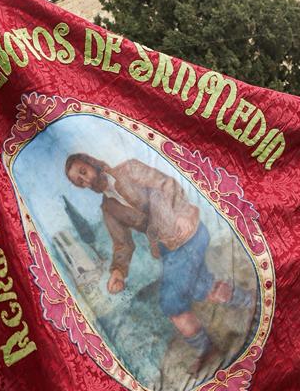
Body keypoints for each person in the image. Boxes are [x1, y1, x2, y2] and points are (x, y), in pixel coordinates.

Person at [65, 153, 253, 369]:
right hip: (166, 249)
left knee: (169, 300)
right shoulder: (108, 209)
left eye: (83, 172)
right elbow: (122, 244)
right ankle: (246, 302)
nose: (86, 180)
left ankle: (206, 348)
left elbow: (167, 184)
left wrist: (181, 211)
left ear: (92, 163)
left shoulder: (130, 168)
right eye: (79, 181)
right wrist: (118, 272)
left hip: (186, 231)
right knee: (202, 286)